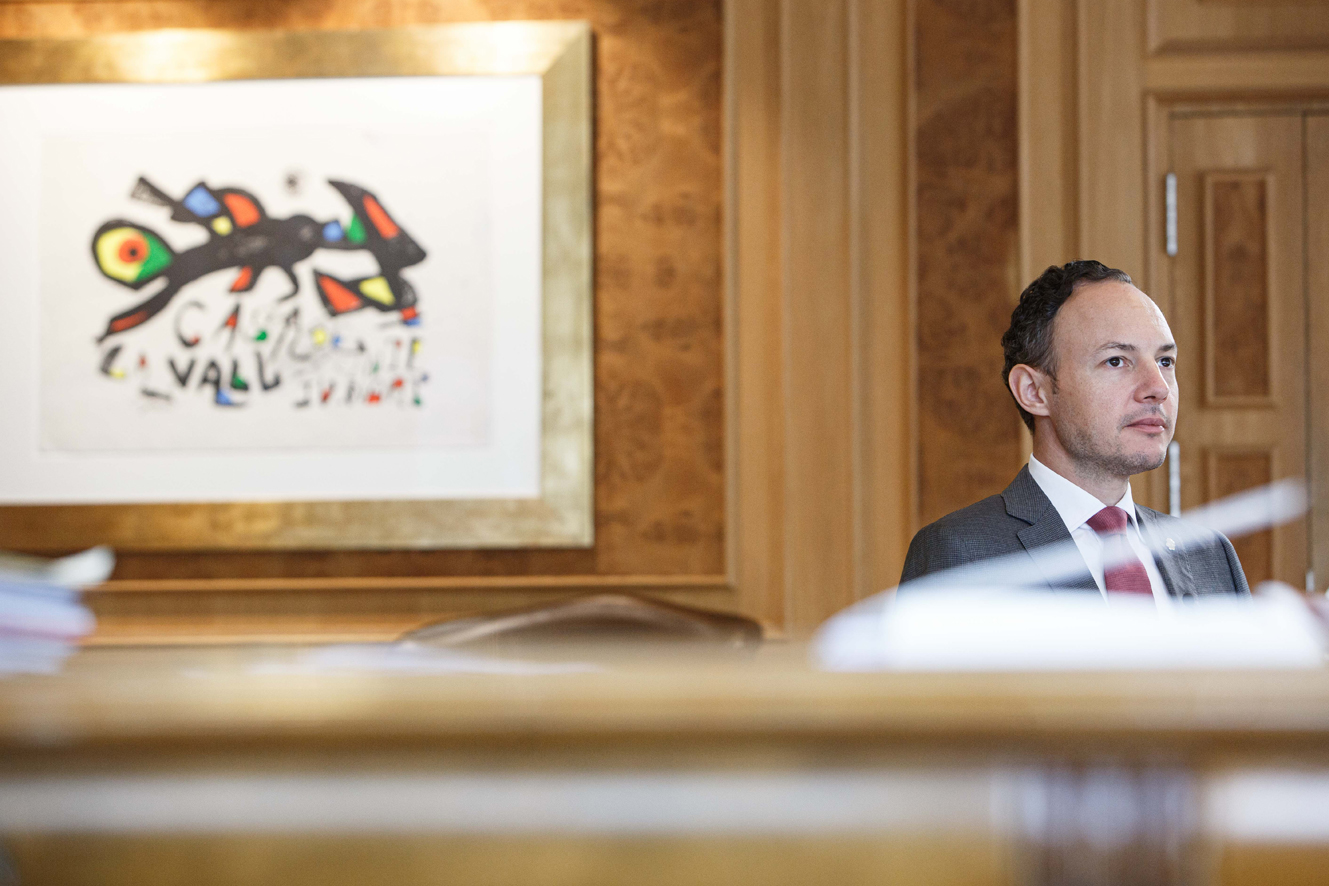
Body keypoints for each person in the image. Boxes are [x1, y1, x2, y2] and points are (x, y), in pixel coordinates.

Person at [900, 260, 1248, 599]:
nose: (1158, 387)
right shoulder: (962, 554)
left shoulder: (1211, 556)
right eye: (1116, 361)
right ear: (1034, 392)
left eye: (1164, 361)